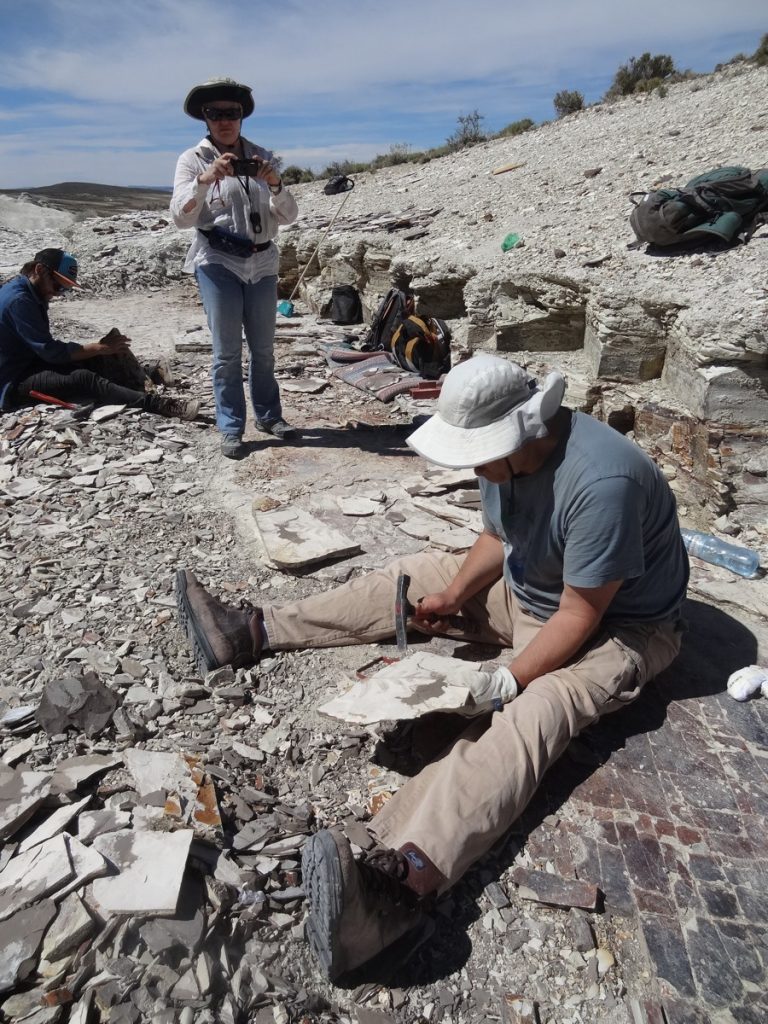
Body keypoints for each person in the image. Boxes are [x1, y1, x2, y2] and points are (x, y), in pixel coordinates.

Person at [175, 353, 689, 980]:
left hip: (622, 628)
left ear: (522, 430)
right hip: (539, 591)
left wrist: (510, 677)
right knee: (415, 575)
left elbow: (579, 618)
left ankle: (399, 890)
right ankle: (249, 630)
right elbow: (500, 539)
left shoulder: (603, 484)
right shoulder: (510, 457)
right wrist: (452, 597)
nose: (474, 466)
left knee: (536, 712)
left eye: (479, 451)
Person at [170, 77, 300, 459]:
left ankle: (269, 416)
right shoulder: (192, 160)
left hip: (262, 262)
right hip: (218, 262)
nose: (225, 121)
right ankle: (230, 427)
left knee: (263, 350)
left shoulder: (264, 156)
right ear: (205, 120)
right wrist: (204, 180)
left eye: (232, 113)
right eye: (216, 114)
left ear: (242, 117)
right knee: (226, 353)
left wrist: (275, 183)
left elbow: (290, 215)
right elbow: (180, 217)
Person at [0, 249, 199, 420]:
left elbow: (45, 347)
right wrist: (99, 347)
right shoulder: (19, 301)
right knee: (83, 378)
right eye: (59, 286)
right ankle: (158, 404)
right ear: (40, 270)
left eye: (65, 290)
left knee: (90, 357)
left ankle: (142, 374)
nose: (58, 293)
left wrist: (98, 349)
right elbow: (51, 352)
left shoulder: (28, 291)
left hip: (28, 362)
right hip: (12, 380)